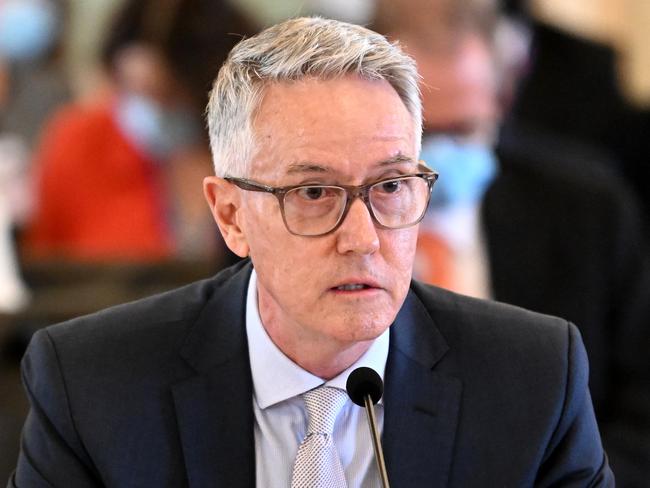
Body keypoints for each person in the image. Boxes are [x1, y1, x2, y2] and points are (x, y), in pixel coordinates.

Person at [9, 17, 613, 487]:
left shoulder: (534, 379)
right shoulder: (92, 385)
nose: (363, 237)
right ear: (230, 215)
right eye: (314, 192)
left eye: (391, 186)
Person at [373, 1, 650, 484]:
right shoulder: (321, 212)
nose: (436, 159)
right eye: (419, 137)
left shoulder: (587, 209)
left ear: (501, 99)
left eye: (462, 130)